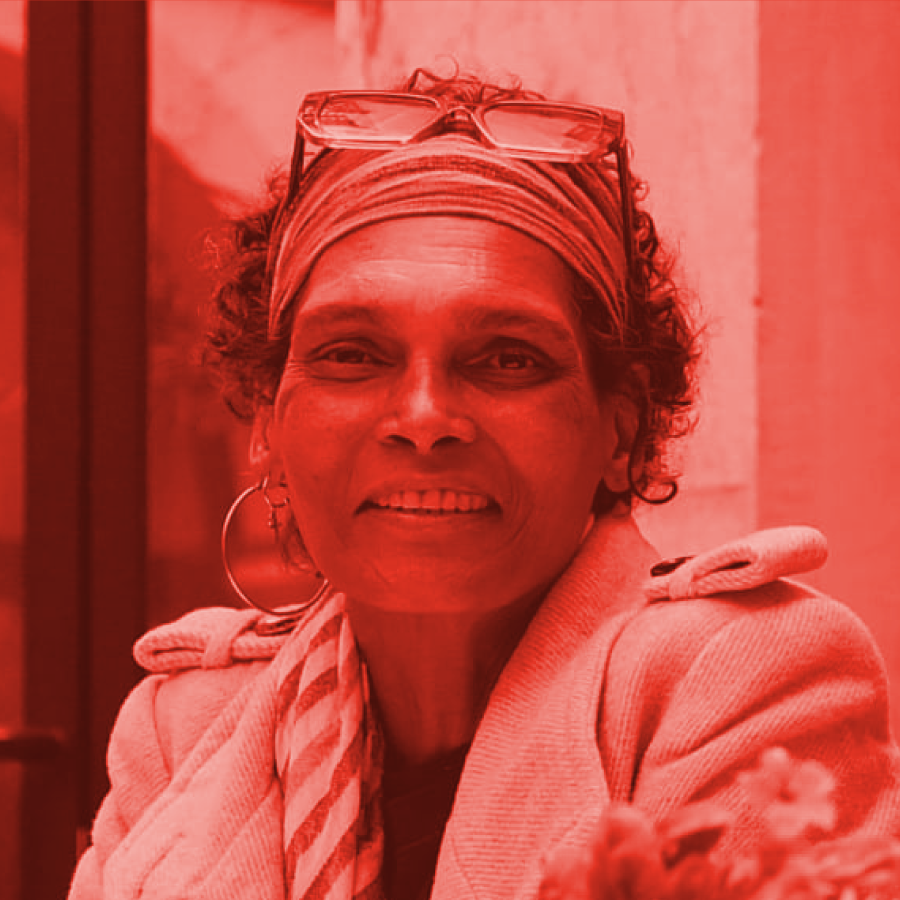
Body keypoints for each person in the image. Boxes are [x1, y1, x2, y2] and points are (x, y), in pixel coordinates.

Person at [68, 68, 900, 900]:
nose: (424, 417)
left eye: (508, 359)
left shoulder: (737, 679)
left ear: (621, 430)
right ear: (266, 424)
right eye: (352, 354)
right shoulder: (184, 725)